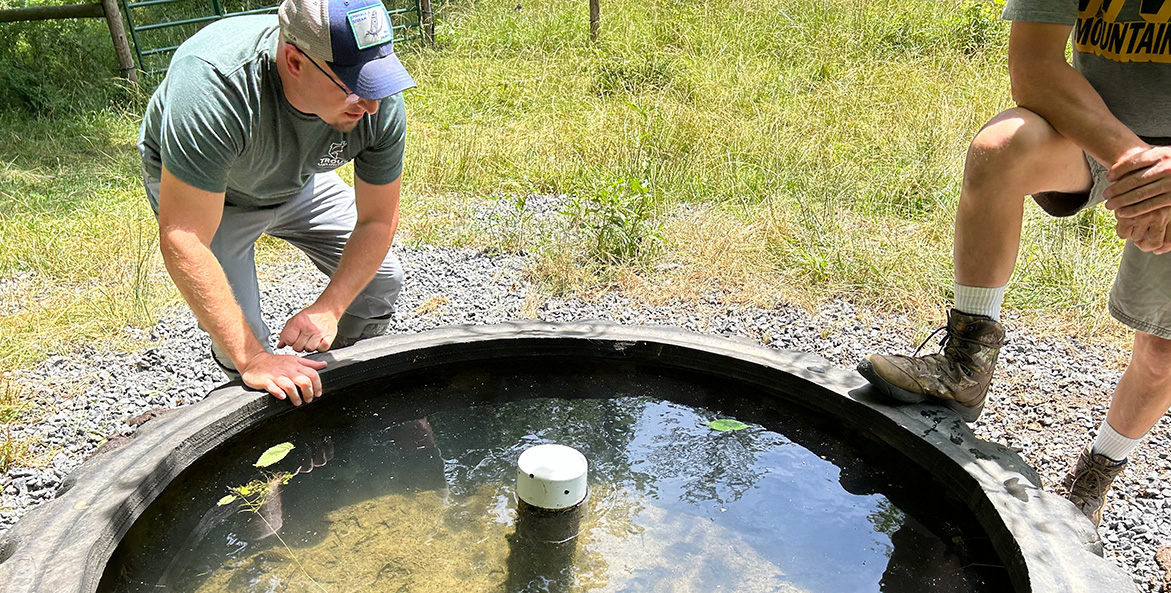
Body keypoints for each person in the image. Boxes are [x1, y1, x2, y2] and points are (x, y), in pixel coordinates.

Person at [858, 0, 1171, 529]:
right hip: (1099, 132)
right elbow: (1035, 69)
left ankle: (1098, 470)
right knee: (1000, 147)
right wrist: (1135, 162)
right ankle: (965, 364)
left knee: (1162, 353)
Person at [138, 0, 415, 406]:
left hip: (297, 180)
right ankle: (255, 402)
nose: (372, 105)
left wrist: (330, 309)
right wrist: (253, 358)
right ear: (295, 61)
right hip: (215, 195)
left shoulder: (375, 100)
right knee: (242, 336)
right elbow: (185, 237)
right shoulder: (215, 85)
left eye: (377, 83)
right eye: (355, 86)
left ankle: (338, 388)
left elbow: (376, 220)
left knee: (378, 284)